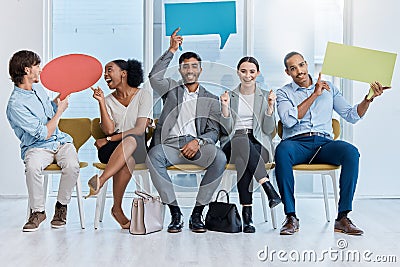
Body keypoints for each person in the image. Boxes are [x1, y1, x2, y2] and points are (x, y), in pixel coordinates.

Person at [275, 51, 386, 235]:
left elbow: (352, 115)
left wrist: (369, 98)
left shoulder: (330, 89)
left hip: (324, 144)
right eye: (293, 68)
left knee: (351, 152)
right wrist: (314, 95)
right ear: (287, 72)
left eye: (301, 65)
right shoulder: (283, 93)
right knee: (282, 150)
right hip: (296, 143)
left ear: (307, 64)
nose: (299, 71)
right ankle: (291, 217)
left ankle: (343, 217)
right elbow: (288, 122)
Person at [146, 28, 226, 233]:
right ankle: (175, 212)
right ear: (180, 70)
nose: (190, 70)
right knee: (154, 156)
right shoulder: (171, 89)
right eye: (185, 66)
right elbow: (154, 77)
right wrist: (171, 50)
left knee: (219, 158)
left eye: (194, 66)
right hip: (170, 145)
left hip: (196, 146)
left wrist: (198, 142)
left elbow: (213, 132)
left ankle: (198, 212)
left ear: (200, 70)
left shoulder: (212, 99)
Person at [6, 50, 79, 232]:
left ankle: (61, 207)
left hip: (60, 141)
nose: (40, 70)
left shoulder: (38, 89)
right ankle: (38, 211)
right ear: (26, 70)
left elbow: (48, 112)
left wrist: (58, 101)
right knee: (32, 167)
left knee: (72, 165)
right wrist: (60, 112)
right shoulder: (15, 105)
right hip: (37, 147)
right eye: (37, 66)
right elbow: (42, 133)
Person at [85, 59, 152, 229]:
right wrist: (101, 101)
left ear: (123, 73)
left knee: (130, 142)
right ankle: (117, 209)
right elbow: (108, 129)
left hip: (137, 145)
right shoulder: (108, 100)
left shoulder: (143, 95)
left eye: (109, 70)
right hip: (114, 150)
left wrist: (108, 140)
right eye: (105, 72)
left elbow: (138, 129)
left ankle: (101, 180)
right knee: (126, 161)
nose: (105, 75)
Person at [219, 56, 281, 233]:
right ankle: (267, 186)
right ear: (238, 72)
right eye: (244, 71)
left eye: (252, 71)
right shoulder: (229, 96)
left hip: (258, 144)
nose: (248, 75)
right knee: (240, 139)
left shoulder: (264, 96)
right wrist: (224, 107)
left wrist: (270, 107)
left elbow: (269, 130)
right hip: (232, 143)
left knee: (242, 162)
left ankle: (248, 216)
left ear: (258, 73)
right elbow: (225, 130)